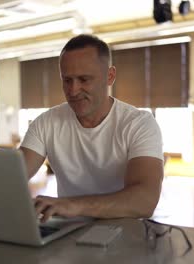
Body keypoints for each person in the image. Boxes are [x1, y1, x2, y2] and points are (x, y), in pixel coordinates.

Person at [19, 34, 164, 223]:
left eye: (84, 79)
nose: (73, 90)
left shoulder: (139, 123)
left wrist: (74, 205)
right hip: (66, 233)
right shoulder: (45, 123)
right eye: (67, 80)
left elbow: (145, 201)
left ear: (110, 76)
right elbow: (11, 179)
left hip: (124, 233)